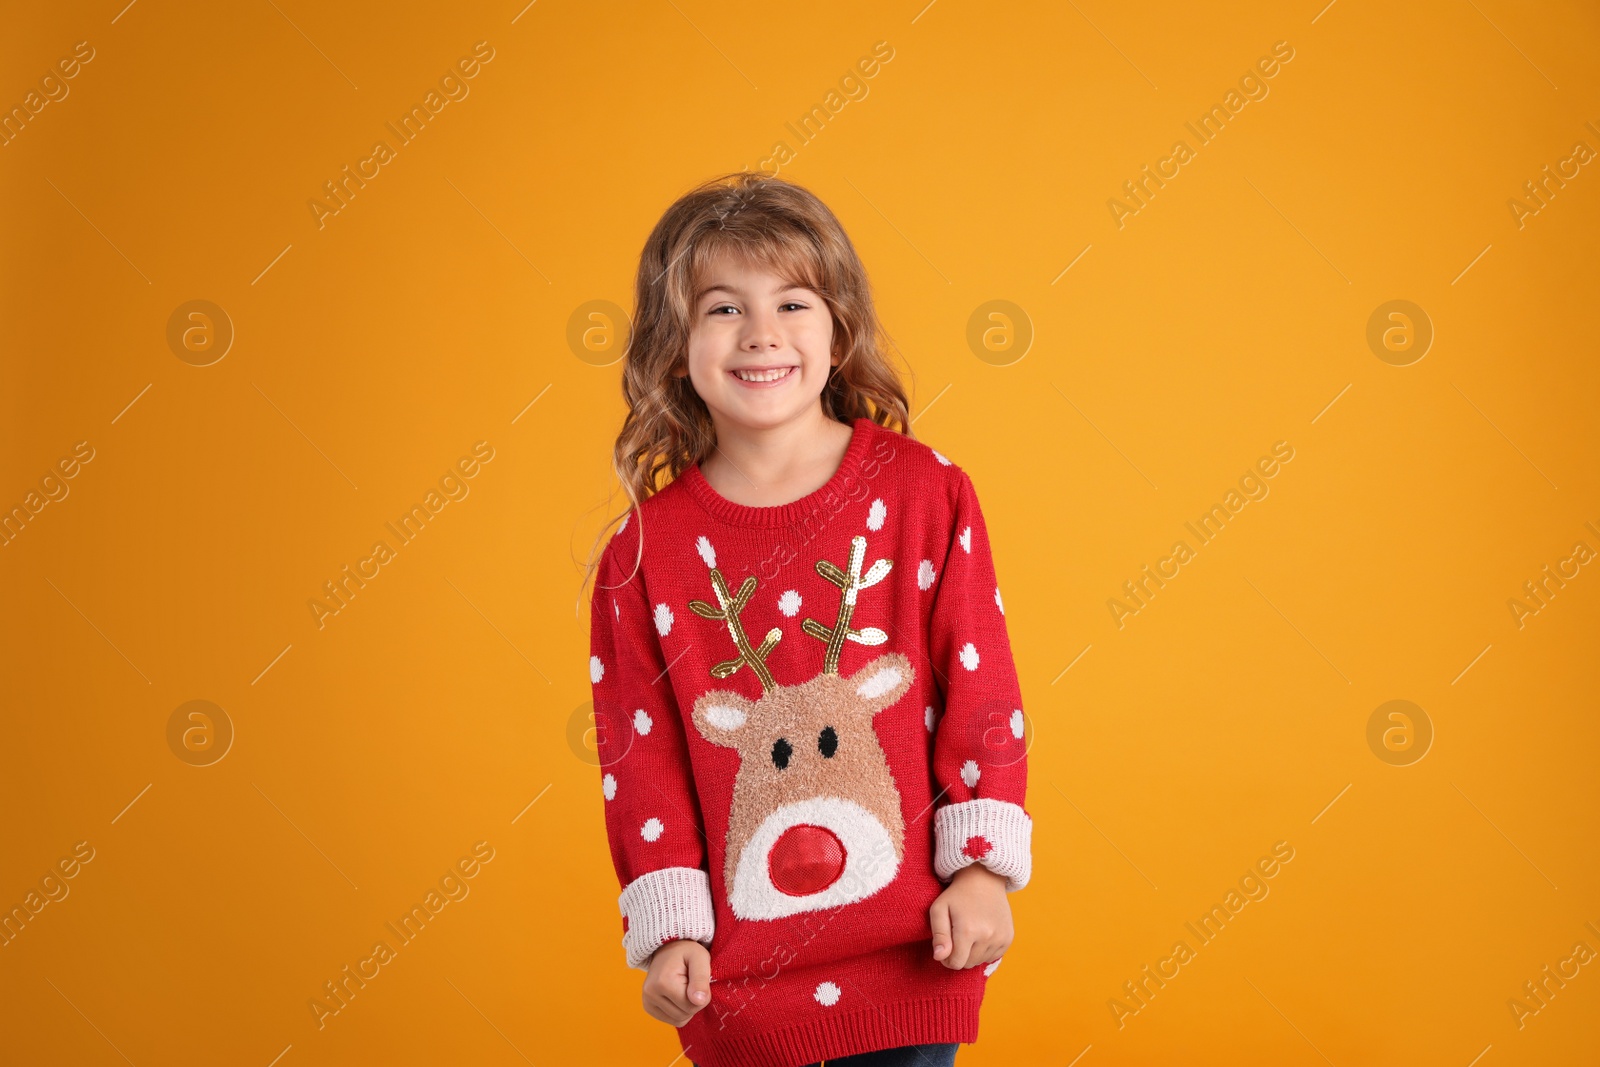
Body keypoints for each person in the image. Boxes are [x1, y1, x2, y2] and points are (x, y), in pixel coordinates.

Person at [583, 171, 1032, 1067]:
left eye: (792, 302)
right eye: (721, 309)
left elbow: (980, 686)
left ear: (838, 328)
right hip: (740, 988)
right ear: (675, 345)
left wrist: (981, 865)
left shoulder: (923, 491)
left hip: (914, 960)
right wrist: (669, 928)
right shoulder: (641, 556)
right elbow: (645, 758)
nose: (761, 335)